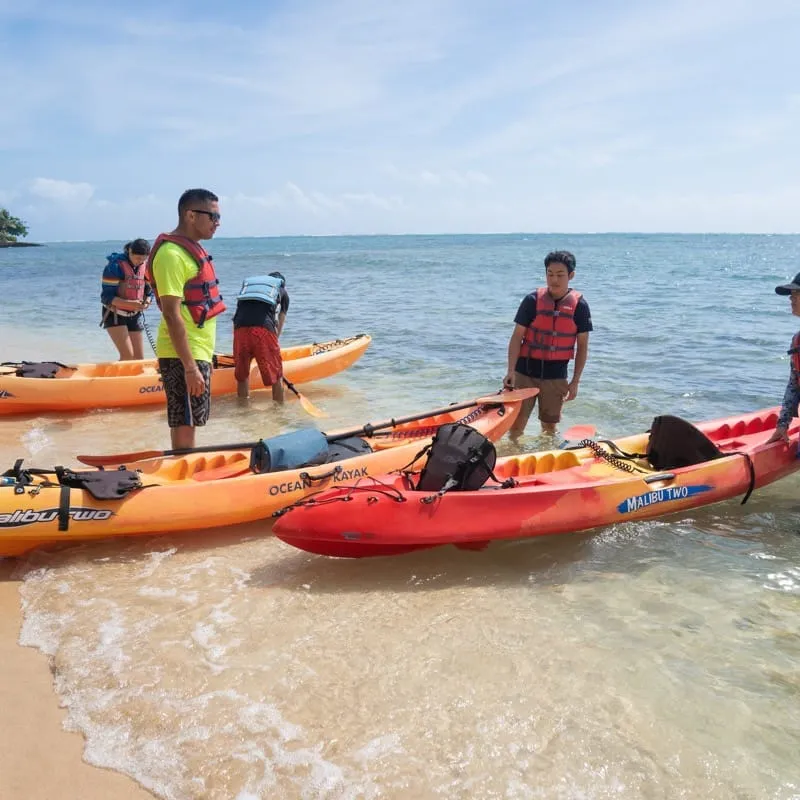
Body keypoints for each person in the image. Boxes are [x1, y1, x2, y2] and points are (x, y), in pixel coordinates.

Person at [147, 189, 225, 449]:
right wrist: (190, 367)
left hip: (195, 351)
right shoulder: (172, 255)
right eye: (213, 216)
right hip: (183, 354)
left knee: (191, 419)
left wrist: (204, 357)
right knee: (185, 421)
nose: (217, 222)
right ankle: (182, 476)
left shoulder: (191, 251)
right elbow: (171, 313)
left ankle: (183, 469)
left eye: (218, 216)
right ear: (191, 215)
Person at [503, 250, 592, 438]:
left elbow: (582, 346)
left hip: (556, 376)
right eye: (550, 274)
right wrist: (510, 371)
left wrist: (575, 381)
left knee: (549, 430)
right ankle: (514, 459)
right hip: (524, 373)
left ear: (571, 276)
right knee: (516, 427)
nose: (554, 280)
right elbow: (516, 337)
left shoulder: (580, 306)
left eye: (560, 275)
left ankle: (546, 461)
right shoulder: (532, 301)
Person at [233, 271, 289, 401]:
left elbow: (237, 315)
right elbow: (281, 318)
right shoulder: (282, 291)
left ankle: (243, 410)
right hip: (263, 331)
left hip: (240, 330)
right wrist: (275, 341)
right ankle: (279, 412)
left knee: (242, 375)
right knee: (276, 375)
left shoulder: (248, 290)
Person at [100, 239, 152, 360]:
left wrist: (147, 301)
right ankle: (114, 379)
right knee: (128, 356)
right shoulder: (115, 266)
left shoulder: (145, 267)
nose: (140, 262)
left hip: (135, 315)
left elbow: (149, 290)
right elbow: (106, 297)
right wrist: (129, 303)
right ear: (129, 252)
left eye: (143, 259)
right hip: (114, 314)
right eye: (137, 258)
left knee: (139, 358)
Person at [767, 271, 800, 444]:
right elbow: (794, 384)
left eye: (796, 294)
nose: (790, 299)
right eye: (791, 294)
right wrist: (782, 425)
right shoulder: (797, 340)